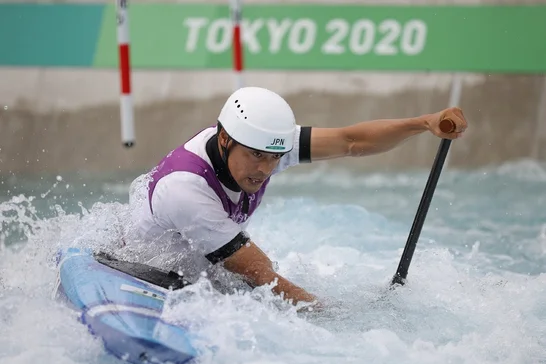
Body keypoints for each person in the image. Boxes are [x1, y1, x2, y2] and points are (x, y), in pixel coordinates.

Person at [127, 86, 468, 307]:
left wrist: (423, 123)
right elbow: (263, 276)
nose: (265, 169)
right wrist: (340, 320)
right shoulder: (186, 190)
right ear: (224, 139)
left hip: (206, 264)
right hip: (145, 271)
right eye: (257, 157)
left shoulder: (265, 142)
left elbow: (351, 141)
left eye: (275, 158)